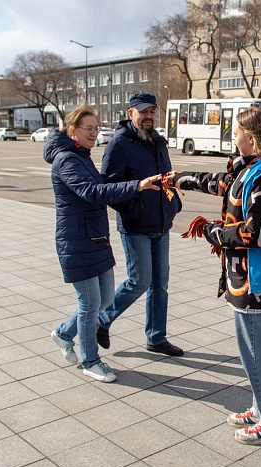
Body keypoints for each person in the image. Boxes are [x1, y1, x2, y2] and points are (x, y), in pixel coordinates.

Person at [165, 106, 261, 445]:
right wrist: (174, 178)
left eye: (237, 132)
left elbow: (258, 235)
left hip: (260, 280)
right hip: (250, 277)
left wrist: (212, 231)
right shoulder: (250, 170)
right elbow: (216, 183)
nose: (234, 136)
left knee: (260, 353)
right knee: (253, 350)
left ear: (252, 140)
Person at [43, 105, 162, 383]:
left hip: (96, 238)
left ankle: (62, 333)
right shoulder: (67, 160)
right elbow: (92, 192)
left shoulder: (81, 156)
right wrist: (136, 185)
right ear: (72, 130)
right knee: (89, 304)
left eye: (97, 128)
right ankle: (91, 361)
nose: (95, 134)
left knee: (105, 299)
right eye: (89, 128)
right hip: (76, 240)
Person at [97, 93, 183, 357]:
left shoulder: (158, 142)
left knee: (160, 283)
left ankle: (156, 337)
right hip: (136, 226)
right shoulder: (119, 144)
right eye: (143, 111)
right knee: (139, 281)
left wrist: (173, 203)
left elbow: (164, 178)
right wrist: (135, 210)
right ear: (130, 112)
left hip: (161, 224)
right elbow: (109, 187)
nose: (148, 117)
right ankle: (101, 319)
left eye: (152, 112)